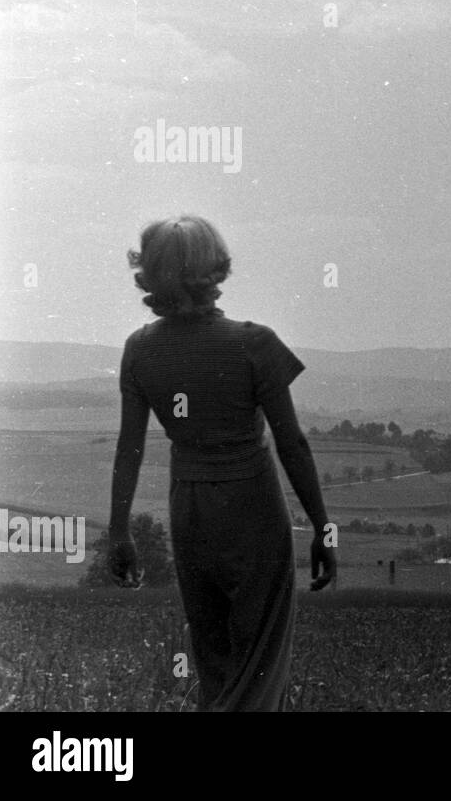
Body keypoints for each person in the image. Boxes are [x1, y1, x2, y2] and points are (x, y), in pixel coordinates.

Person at [107, 215, 337, 711]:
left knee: (214, 659)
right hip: (252, 503)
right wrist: (323, 529)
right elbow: (292, 444)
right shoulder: (254, 344)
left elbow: (130, 447)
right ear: (216, 268)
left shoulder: (139, 349)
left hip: (188, 506)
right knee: (261, 659)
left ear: (149, 272)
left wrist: (119, 531)